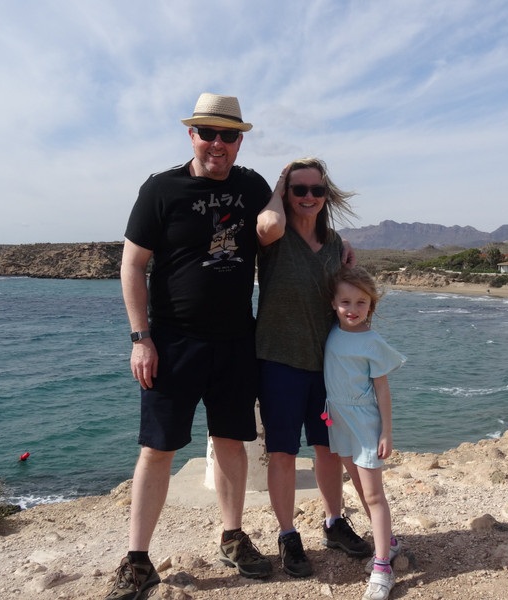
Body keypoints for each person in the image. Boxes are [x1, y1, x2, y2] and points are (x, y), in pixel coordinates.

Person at [106, 93, 285, 600]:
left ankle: (232, 535)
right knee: (156, 450)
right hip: (172, 341)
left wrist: (336, 247)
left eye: (229, 135)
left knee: (234, 441)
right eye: (208, 132)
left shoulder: (250, 186)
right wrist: (140, 338)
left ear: (240, 141)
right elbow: (133, 265)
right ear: (192, 135)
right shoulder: (161, 189)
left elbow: (285, 219)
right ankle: (138, 559)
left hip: (234, 341)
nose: (218, 144)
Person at [255, 157, 369, 579]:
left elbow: (351, 297)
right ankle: (287, 535)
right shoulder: (275, 236)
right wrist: (278, 182)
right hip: (279, 361)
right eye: (298, 189)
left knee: (330, 449)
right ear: (286, 194)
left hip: (328, 367)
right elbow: (266, 226)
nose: (307, 197)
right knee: (283, 453)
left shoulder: (337, 244)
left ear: (326, 195)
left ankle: (334, 524)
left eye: (316, 190)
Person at [323, 266, 406, 600]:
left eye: (361, 302)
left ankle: (383, 565)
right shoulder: (330, 331)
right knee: (358, 488)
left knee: (374, 496)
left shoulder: (372, 341)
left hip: (365, 424)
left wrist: (386, 432)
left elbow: (382, 390)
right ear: (333, 303)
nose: (352, 309)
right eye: (346, 301)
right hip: (338, 421)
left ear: (371, 306)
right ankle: (391, 542)